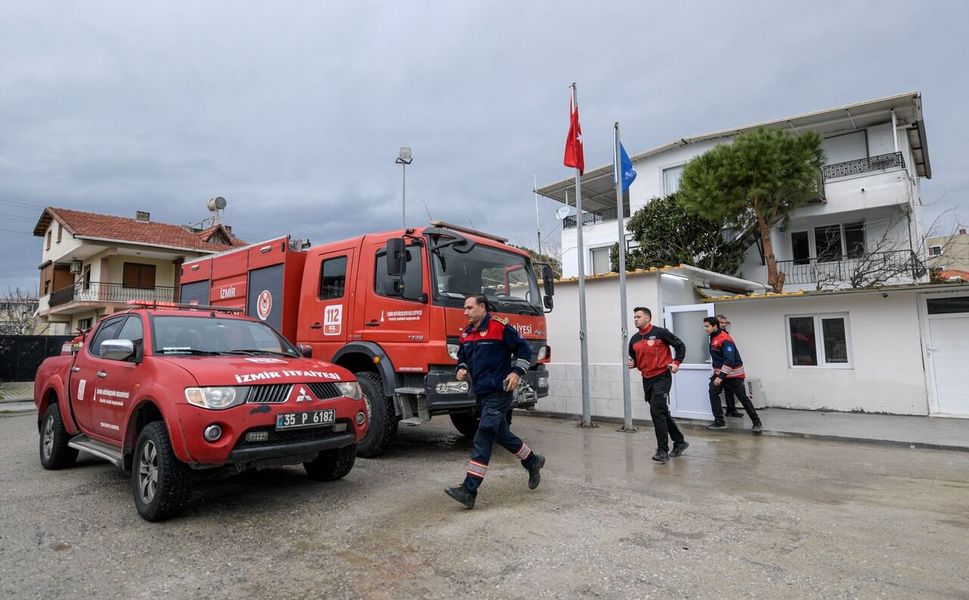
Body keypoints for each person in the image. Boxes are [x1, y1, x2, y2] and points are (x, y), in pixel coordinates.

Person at [444, 294, 544, 509]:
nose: (465, 312)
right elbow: (463, 357)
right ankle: (532, 461)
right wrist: (461, 368)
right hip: (481, 393)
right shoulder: (467, 333)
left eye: (469, 308)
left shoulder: (499, 327)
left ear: (482, 307)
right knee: (502, 434)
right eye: (465, 308)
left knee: (484, 435)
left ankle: (469, 490)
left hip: (500, 391)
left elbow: (525, 350)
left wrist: (517, 372)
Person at [627, 306, 688, 464]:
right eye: (634, 317)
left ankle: (662, 451)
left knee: (656, 411)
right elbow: (634, 358)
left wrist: (676, 362)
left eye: (638, 317)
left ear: (647, 318)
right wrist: (633, 363)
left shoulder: (661, 333)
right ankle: (679, 441)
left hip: (662, 376)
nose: (635, 319)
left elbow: (680, 346)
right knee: (661, 411)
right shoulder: (634, 339)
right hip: (646, 379)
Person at [703, 316, 762, 433]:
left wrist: (720, 377)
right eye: (704, 326)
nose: (705, 328)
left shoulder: (725, 339)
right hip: (721, 373)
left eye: (707, 326)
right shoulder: (713, 337)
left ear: (715, 326)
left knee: (742, 397)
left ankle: (757, 423)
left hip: (734, 374)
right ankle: (719, 421)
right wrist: (716, 373)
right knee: (713, 392)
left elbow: (729, 360)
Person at [717, 314, 744, 418]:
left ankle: (731, 410)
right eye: (721, 323)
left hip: (727, 368)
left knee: (729, 390)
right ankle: (718, 416)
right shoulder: (715, 336)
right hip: (720, 368)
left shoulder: (725, 334)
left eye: (725, 323)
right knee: (716, 391)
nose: (724, 325)